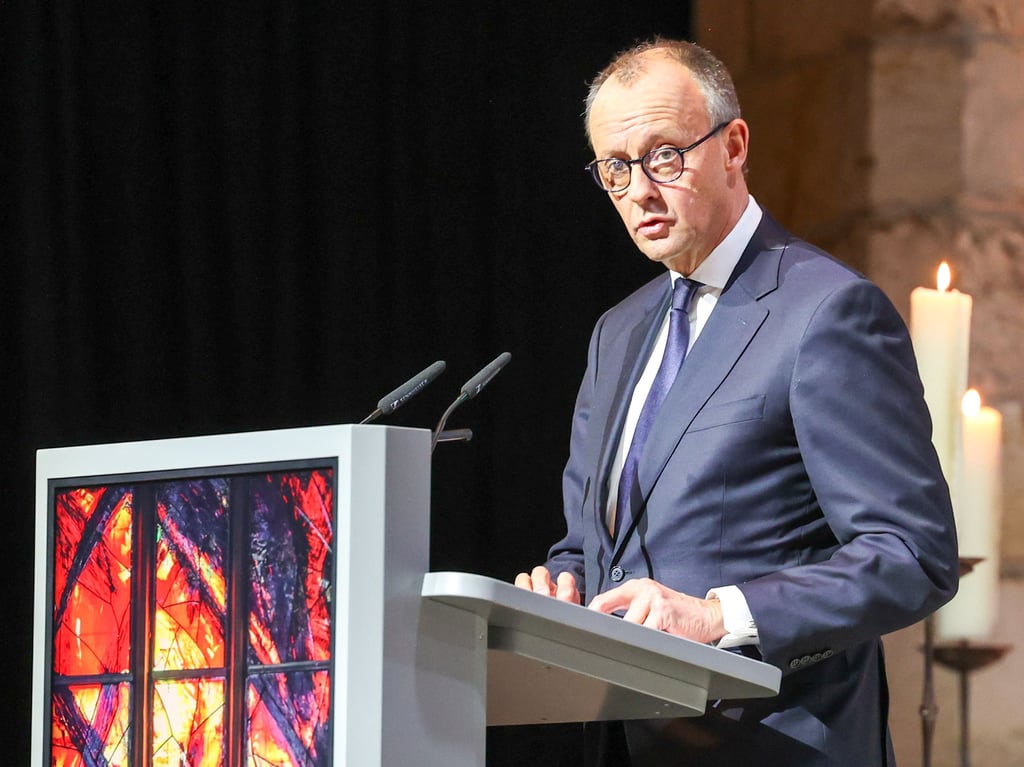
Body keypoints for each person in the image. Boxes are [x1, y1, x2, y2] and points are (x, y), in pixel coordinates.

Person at [515, 38, 959, 767]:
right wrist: (559, 588)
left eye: (664, 156)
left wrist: (719, 613)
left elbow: (912, 552)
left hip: (776, 745)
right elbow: (592, 545)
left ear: (734, 146)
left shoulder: (827, 313)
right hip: (626, 741)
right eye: (615, 169)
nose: (640, 192)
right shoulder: (618, 332)